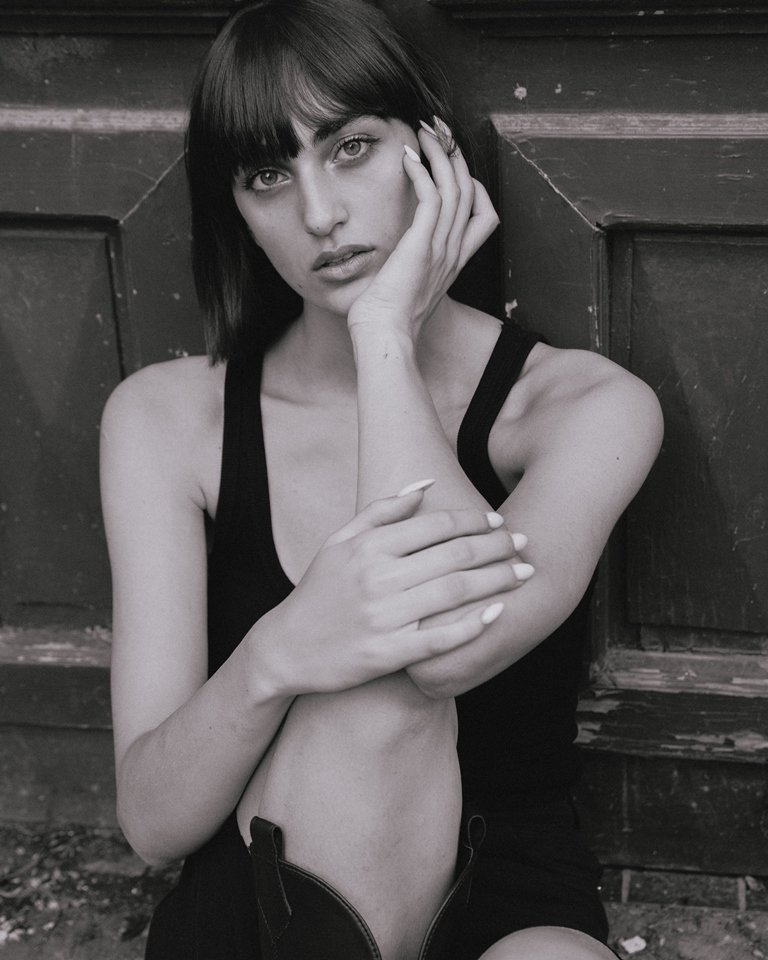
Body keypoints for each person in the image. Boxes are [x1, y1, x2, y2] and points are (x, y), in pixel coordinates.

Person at [99, 1, 663, 957]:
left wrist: (382, 335)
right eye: (269, 175)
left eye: (351, 147)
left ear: (432, 150)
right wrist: (281, 652)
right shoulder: (165, 420)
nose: (319, 214)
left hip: (502, 880)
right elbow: (153, 826)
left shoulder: (585, 406)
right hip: (274, 900)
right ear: (236, 209)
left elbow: (441, 651)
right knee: (364, 686)